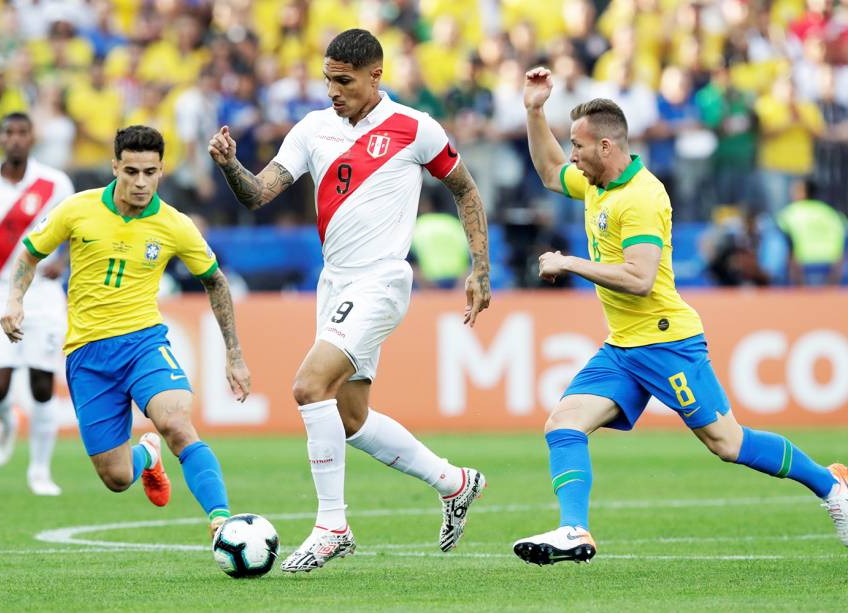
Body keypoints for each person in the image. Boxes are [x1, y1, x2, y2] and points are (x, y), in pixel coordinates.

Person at [512, 67, 848, 566]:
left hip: (667, 343)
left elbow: (640, 278)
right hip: (624, 348)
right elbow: (546, 170)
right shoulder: (596, 185)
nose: (572, 155)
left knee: (728, 444)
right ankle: (573, 529)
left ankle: (832, 486)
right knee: (563, 423)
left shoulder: (641, 196)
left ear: (607, 147)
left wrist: (570, 262)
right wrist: (534, 110)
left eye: (578, 146)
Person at [208, 28, 492, 573]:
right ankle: (455, 483)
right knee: (351, 416)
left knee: (308, 385)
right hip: (334, 282)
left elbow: (466, 190)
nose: (333, 91)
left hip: (382, 281)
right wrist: (229, 166)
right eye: (328, 80)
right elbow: (259, 193)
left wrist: (481, 269)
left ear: (375, 75)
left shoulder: (415, 128)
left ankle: (331, 525)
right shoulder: (313, 128)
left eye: (344, 81)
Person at [0, 125, 251, 540]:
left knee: (175, 422)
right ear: (115, 166)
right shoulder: (77, 209)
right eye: (131, 171)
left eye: (149, 172)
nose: (139, 182)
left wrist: (235, 355)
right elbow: (30, 253)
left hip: (144, 344)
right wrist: (14, 301)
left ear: (161, 171)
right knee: (116, 477)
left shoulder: (175, 225)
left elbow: (216, 281)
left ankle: (223, 520)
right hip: (87, 355)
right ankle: (147, 455)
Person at [0, 112, 75, 496]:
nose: (15, 139)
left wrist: (63, 261)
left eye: (22, 132)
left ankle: (40, 472)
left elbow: (77, 231)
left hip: (41, 293)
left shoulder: (55, 183)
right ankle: (6, 421)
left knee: (43, 385)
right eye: (8, 132)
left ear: (32, 137)